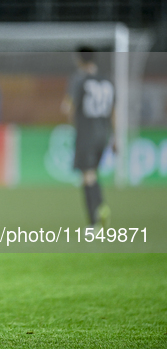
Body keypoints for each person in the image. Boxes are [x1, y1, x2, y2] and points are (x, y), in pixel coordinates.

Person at [61, 47, 115, 229]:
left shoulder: (79, 79)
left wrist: (72, 122)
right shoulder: (107, 81)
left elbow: (68, 107)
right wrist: (115, 137)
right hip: (103, 133)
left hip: (86, 133)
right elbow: (114, 111)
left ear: (79, 60)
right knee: (93, 172)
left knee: (87, 175)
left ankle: (94, 220)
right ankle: (101, 207)